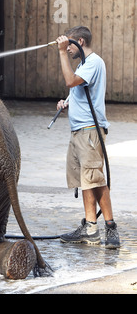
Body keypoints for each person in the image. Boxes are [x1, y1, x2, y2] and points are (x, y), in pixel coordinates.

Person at [55, 26, 120, 248]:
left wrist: (62, 53)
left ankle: (111, 228)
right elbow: (77, 91)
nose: (68, 49)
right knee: (86, 181)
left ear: (80, 42)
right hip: (79, 131)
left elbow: (71, 81)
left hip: (90, 131)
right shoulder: (84, 65)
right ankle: (90, 228)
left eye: (70, 44)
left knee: (95, 179)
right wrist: (67, 102)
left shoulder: (93, 62)